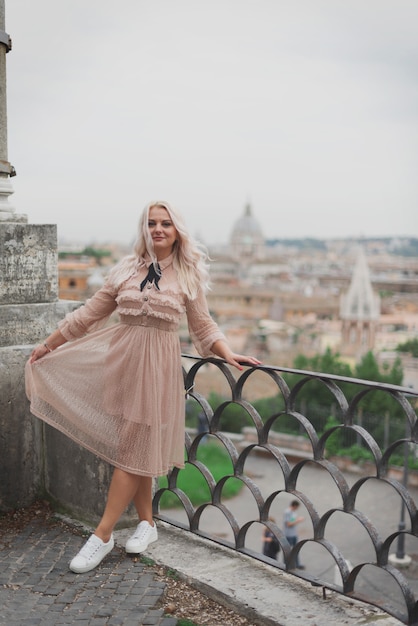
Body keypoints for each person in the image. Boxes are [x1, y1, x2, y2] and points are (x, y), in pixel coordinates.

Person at [25, 200, 261, 574]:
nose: (158, 229)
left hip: (158, 372)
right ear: (144, 228)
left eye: (165, 223)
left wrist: (228, 353)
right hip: (122, 366)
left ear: (177, 229)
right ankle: (148, 524)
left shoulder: (187, 274)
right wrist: (49, 345)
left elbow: (202, 326)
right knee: (134, 448)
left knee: (131, 452)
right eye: (151, 223)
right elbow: (90, 313)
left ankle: (102, 534)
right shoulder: (126, 269)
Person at [283, 500, 305, 569]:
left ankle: (297, 564)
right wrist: (298, 520)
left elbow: (292, 521)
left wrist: (296, 520)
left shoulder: (293, 512)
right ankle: (286, 564)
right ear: (295, 506)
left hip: (294, 534)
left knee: (295, 550)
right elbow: (288, 524)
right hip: (288, 535)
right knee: (287, 551)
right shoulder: (287, 512)